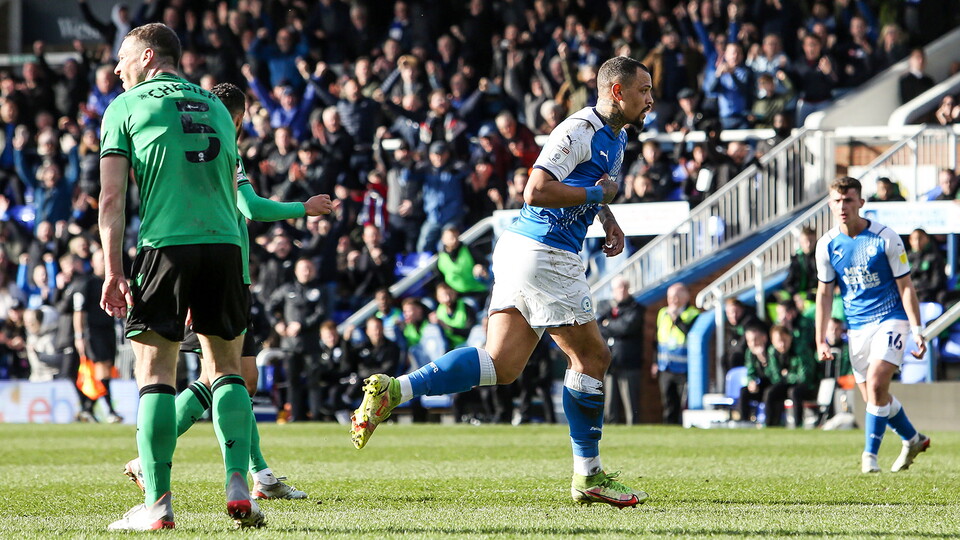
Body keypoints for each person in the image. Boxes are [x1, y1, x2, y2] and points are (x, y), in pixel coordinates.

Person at [349, 55, 654, 507]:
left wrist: (606, 218)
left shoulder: (619, 135)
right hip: (545, 250)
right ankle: (588, 476)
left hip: (523, 251)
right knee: (592, 356)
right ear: (617, 92)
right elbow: (535, 190)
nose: (650, 99)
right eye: (644, 90)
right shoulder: (578, 130)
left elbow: (596, 185)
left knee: (501, 364)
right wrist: (596, 197)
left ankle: (395, 389)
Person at [121, 82, 331, 501]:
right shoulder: (223, 147)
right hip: (220, 273)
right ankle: (159, 462)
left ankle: (261, 475)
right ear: (235, 116)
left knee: (235, 377)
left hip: (219, 269)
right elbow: (250, 207)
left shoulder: (200, 144)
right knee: (229, 376)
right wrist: (301, 209)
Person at [98, 23, 255, 530]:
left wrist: (113, 269)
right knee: (226, 368)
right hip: (226, 248)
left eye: (122, 60)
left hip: (166, 245)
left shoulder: (125, 107)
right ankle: (238, 484)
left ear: (147, 57)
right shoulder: (217, 107)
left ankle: (158, 506)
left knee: (156, 375)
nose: (116, 71)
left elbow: (111, 200)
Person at [814, 176, 930, 474]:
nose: (843, 207)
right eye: (837, 201)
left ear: (861, 203)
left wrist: (917, 330)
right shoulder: (827, 245)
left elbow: (906, 286)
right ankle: (912, 439)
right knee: (874, 399)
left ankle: (869, 457)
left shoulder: (885, 237)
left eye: (849, 200)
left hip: (891, 319)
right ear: (830, 204)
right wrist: (820, 339)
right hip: (857, 327)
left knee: (878, 384)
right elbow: (825, 292)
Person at [597, 275, 644, 425]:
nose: (622, 290)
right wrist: (610, 325)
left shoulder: (635, 308)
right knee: (609, 404)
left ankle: (633, 430)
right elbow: (598, 327)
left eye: (624, 287)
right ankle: (611, 430)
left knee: (631, 403)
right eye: (619, 287)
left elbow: (626, 327)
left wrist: (608, 324)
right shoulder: (606, 307)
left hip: (629, 363)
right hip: (611, 363)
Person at [651, 282, 700, 425]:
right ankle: (669, 427)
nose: (672, 300)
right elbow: (657, 340)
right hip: (666, 366)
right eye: (670, 297)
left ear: (685, 297)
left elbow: (689, 333)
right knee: (668, 402)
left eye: (676, 297)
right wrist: (655, 362)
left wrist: (676, 319)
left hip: (684, 368)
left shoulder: (693, 314)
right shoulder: (662, 313)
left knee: (683, 402)